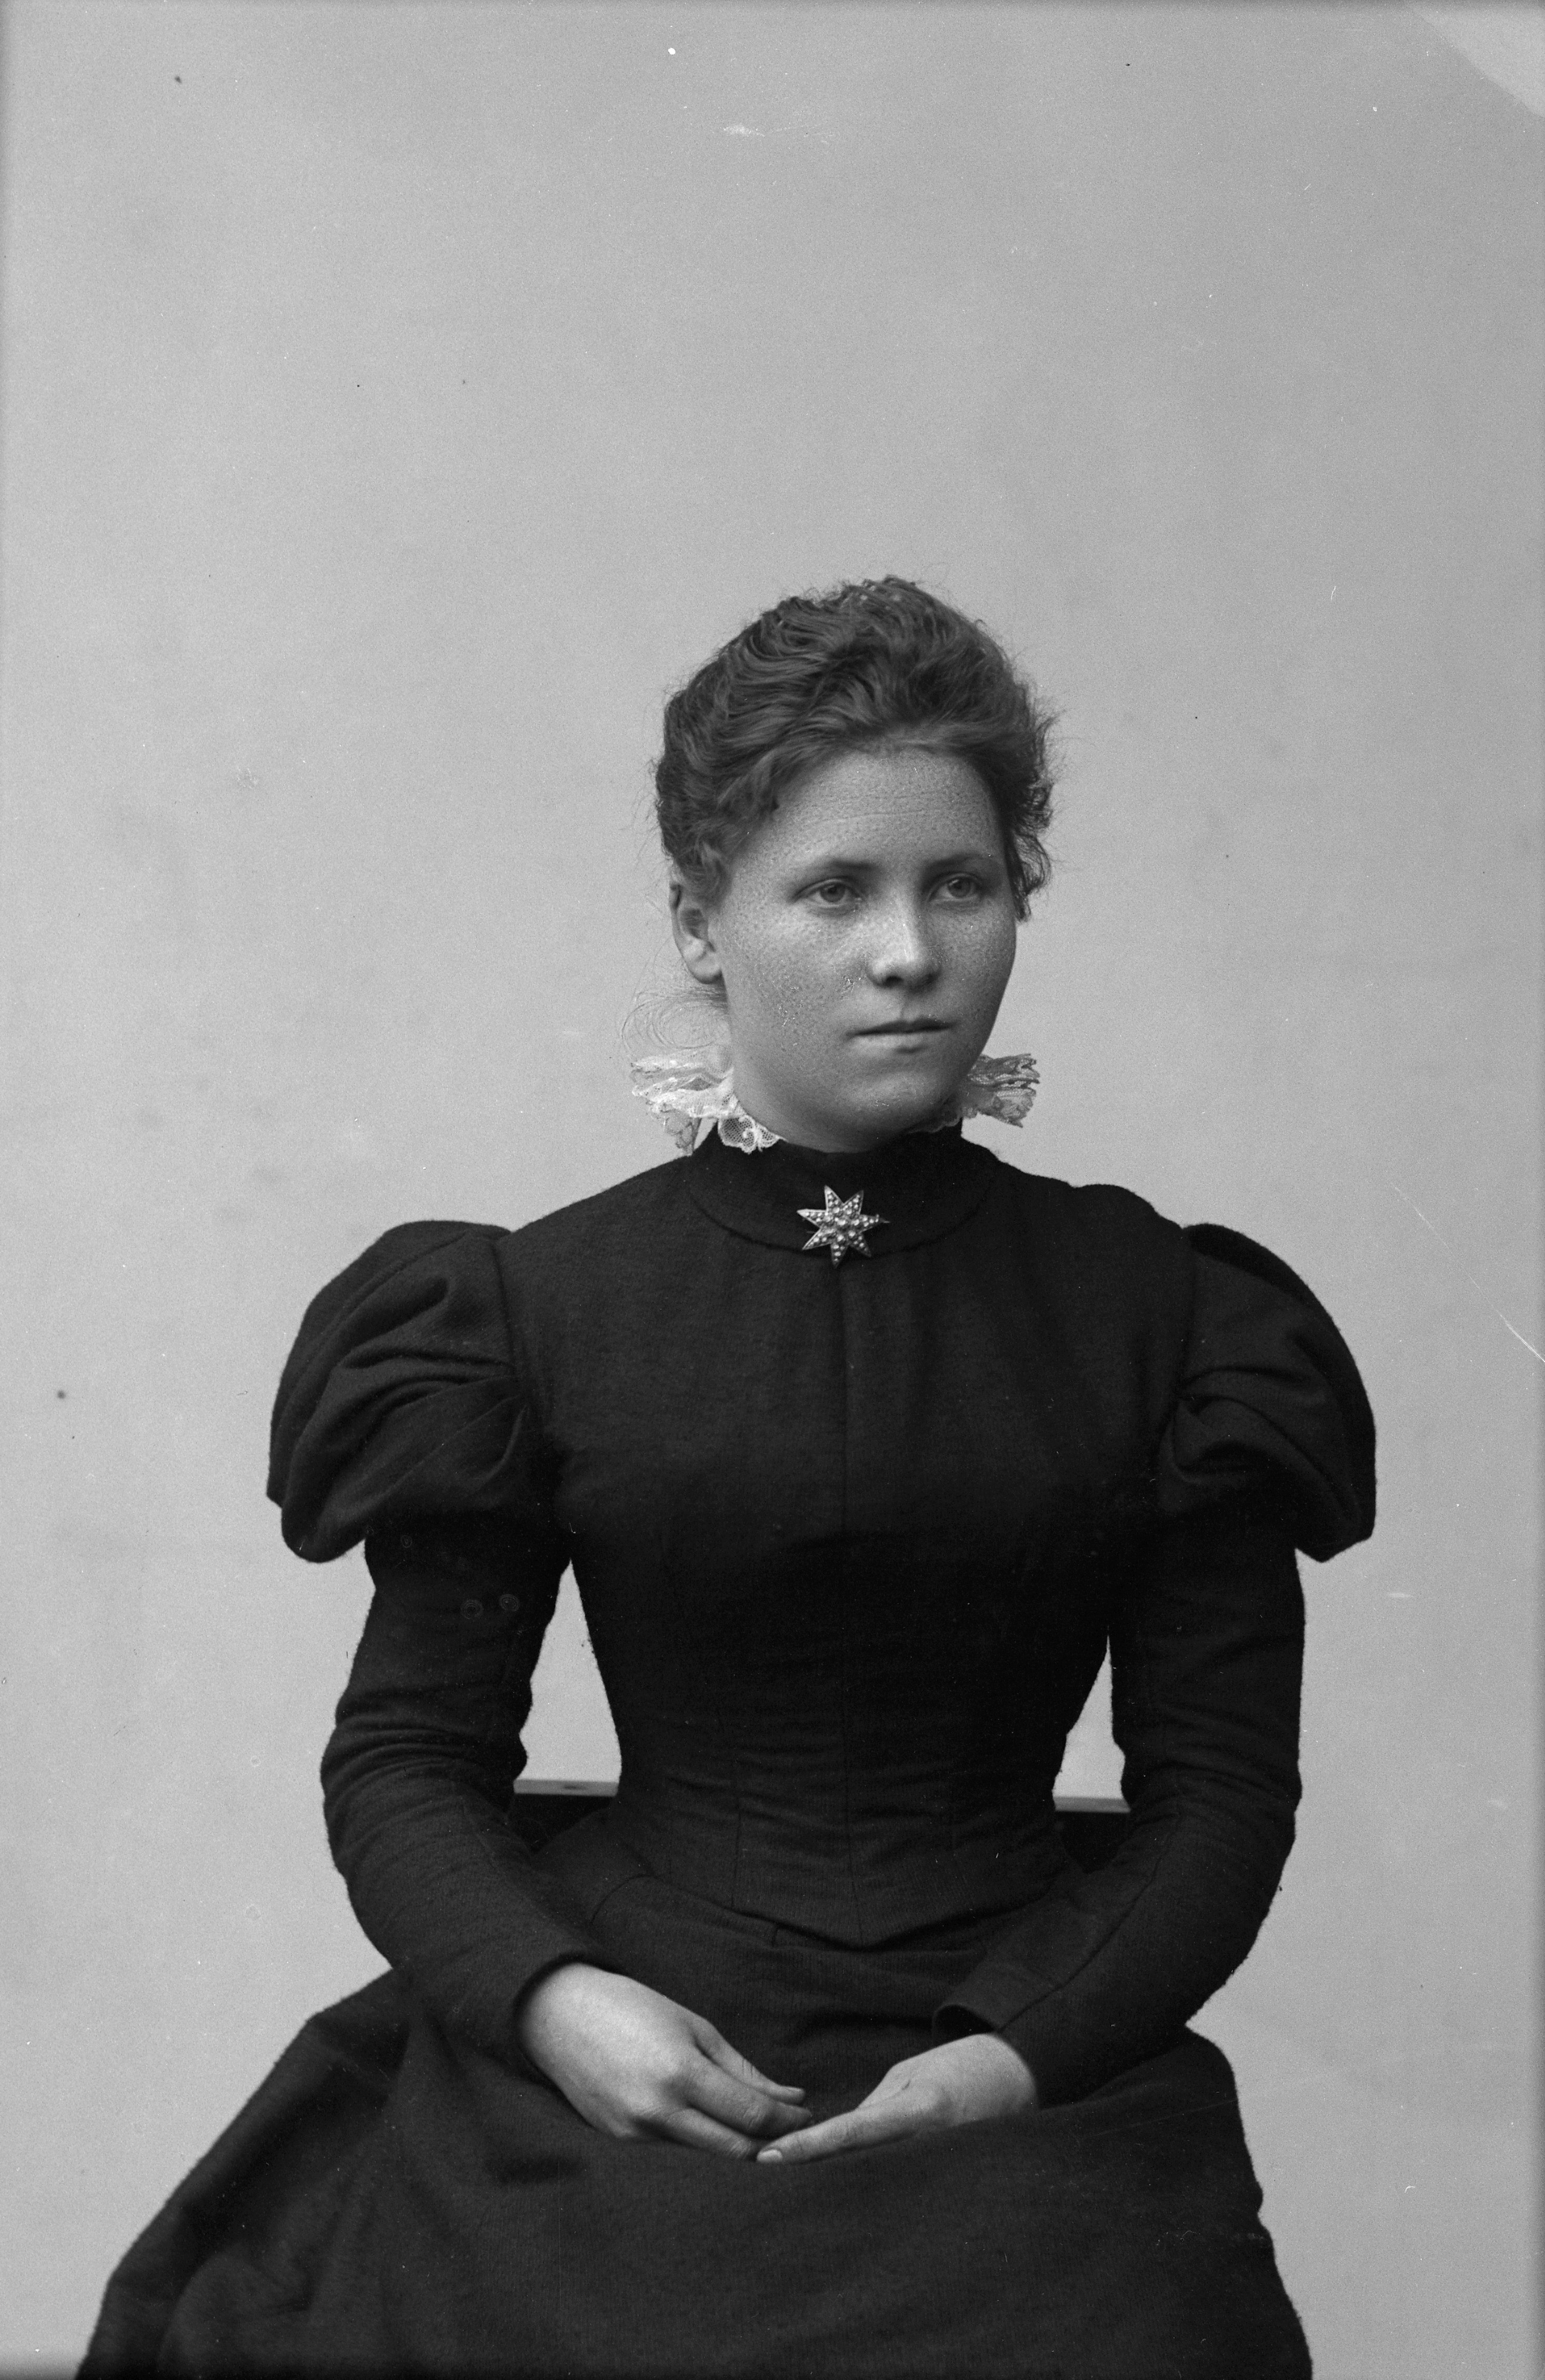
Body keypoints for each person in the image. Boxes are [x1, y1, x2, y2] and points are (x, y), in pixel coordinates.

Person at [84, 579, 1374, 2379]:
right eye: (834, 890)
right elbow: (405, 1759)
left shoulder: (1164, 1316)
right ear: (704, 923)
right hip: (628, 2043)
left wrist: (1018, 2056)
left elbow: (1222, 1793)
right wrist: (556, 2002)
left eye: (962, 885)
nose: (908, 952)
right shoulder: (532, 1306)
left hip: (1016, 2054)